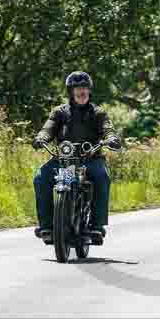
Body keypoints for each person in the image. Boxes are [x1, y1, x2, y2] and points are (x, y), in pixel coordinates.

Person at [32, 71, 121, 241]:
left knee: (102, 176)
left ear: (89, 90)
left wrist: (111, 138)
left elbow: (108, 129)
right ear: (71, 92)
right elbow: (48, 128)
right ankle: (47, 227)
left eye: (85, 88)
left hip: (90, 160)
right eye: (78, 88)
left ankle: (96, 226)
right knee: (40, 177)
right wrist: (41, 137)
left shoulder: (98, 112)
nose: (82, 92)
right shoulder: (59, 112)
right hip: (63, 161)